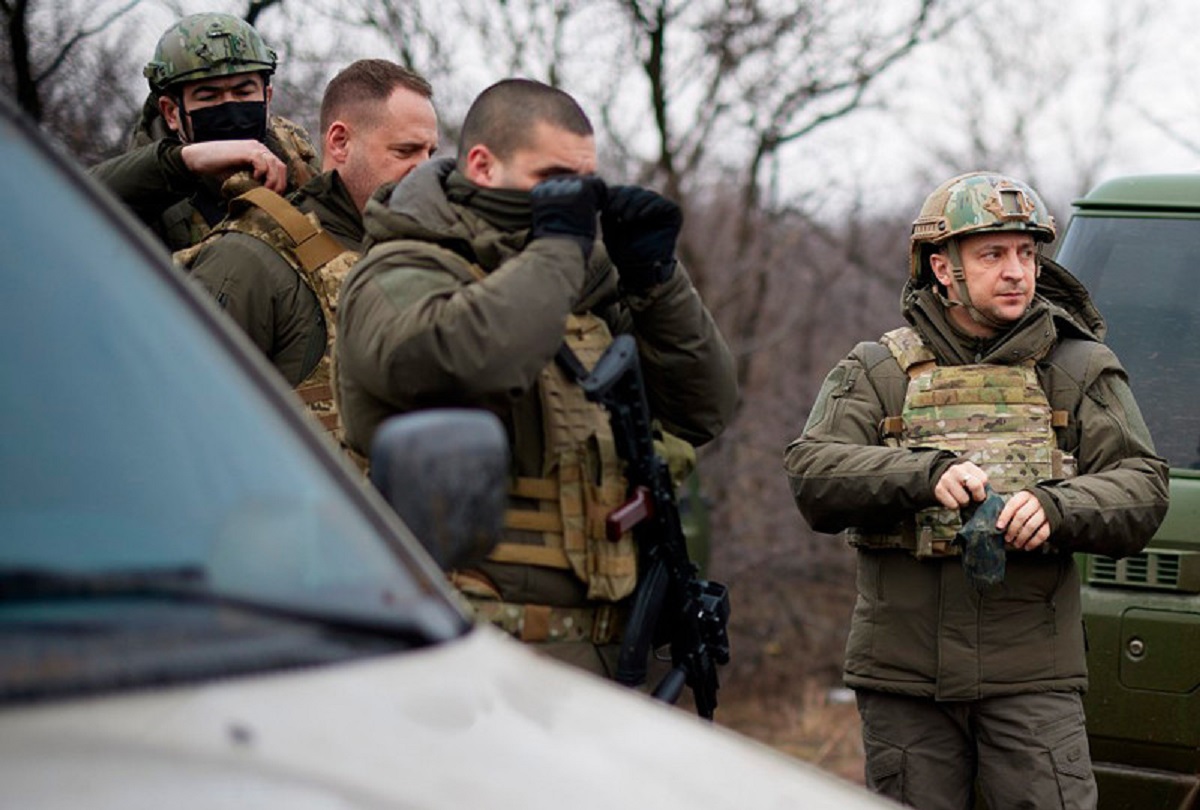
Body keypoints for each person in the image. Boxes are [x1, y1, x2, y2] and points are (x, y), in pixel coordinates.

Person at [784, 172, 1170, 810]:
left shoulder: (1076, 368)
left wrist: (1056, 507)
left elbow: (1142, 484)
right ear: (942, 267)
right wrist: (924, 473)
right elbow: (813, 472)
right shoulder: (877, 370)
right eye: (992, 254)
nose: (1017, 271)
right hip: (905, 684)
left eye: (1026, 253)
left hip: (1032, 682)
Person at [336, 78, 738, 678]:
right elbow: (456, 362)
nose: (575, 202)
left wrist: (658, 279)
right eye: (553, 181)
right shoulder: (402, 266)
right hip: (472, 647)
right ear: (482, 165)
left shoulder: (585, 286)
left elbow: (703, 406)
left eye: (585, 183)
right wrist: (557, 250)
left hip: (608, 649)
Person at [179, 59, 438, 431]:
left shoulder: (418, 260)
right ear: (340, 142)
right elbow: (189, 419)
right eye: (406, 151)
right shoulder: (249, 258)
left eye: (430, 153)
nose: (424, 170)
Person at [90, 12, 320, 251]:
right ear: (171, 113)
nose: (230, 107)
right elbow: (69, 206)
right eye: (209, 96)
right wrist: (185, 161)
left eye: (243, 92)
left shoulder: (296, 152)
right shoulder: (144, 186)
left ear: (267, 97)